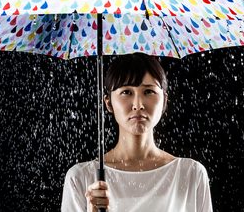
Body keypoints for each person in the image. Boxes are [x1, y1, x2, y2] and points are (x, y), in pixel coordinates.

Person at [61, 53, 213, 212]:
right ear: (108, 103)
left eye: (148, 92)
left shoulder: (191, 174)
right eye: (126, 92)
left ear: (164, 101)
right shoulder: (81, 178)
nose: (138, 105)